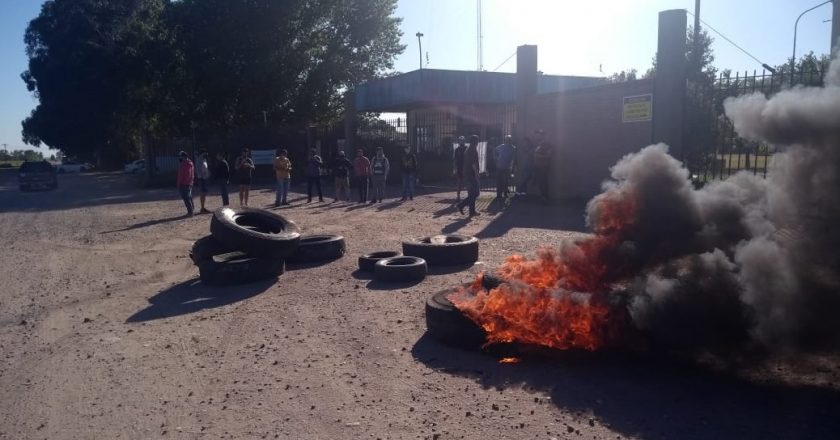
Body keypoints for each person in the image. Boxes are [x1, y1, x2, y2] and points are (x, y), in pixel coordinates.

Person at [457, 135, 481, 217]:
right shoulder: (472, 149)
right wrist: (477, 174)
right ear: (475, 141)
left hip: (467, 174)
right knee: (475, 193)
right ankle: (462, 205)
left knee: (472, 193)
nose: (478, 142)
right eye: (477, 141)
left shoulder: (468, 149)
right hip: (471, 175)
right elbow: (473, 163)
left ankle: (471, 211)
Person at [494, 135, 517, 199]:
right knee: (500, 181)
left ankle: (504, 194)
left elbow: (514, 158)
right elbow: (495, 151)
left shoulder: (513, 148)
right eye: (507, 139)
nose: (508, 141)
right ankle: (500, 195)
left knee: (505, 181)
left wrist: (513, 166)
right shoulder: (502, 146)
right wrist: (496, 159)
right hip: (501, 166)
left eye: (509, 139)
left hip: (506, 167)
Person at [533, 131, 553, 201]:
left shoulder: (548, 145)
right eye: (539, 135)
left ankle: (545, 197)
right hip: (537, 166)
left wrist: (538, 156)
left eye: (541, 135)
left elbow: (548, 156)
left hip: (544, 166)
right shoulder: (538, 145)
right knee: (540, 182)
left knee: (543, 181)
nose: (539, 137)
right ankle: (542, 196)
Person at [176, 151, 195, 216]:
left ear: (183, 156)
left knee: (186, 198)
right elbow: (191, 174)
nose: (179, 158)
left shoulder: (183, 164)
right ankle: (192, 209)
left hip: (183, 183)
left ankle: (190, 212)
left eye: (180, 156)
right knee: (189, 197)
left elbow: (181, 175)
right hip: (189, 182)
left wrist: (178, 183)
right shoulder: (191, 163)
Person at [453, 136, 467, 202]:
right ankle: (458, 196)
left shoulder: (467, 149)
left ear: (465, 141)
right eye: (460, 140)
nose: (461, 142)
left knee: (468, 183)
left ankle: (469, 197)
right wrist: (455, 169)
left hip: (467, 168)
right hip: (459, 168)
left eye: (463, 140)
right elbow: (455, 160)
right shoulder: (457, 150)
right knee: (459, 183)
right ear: (459, 141)